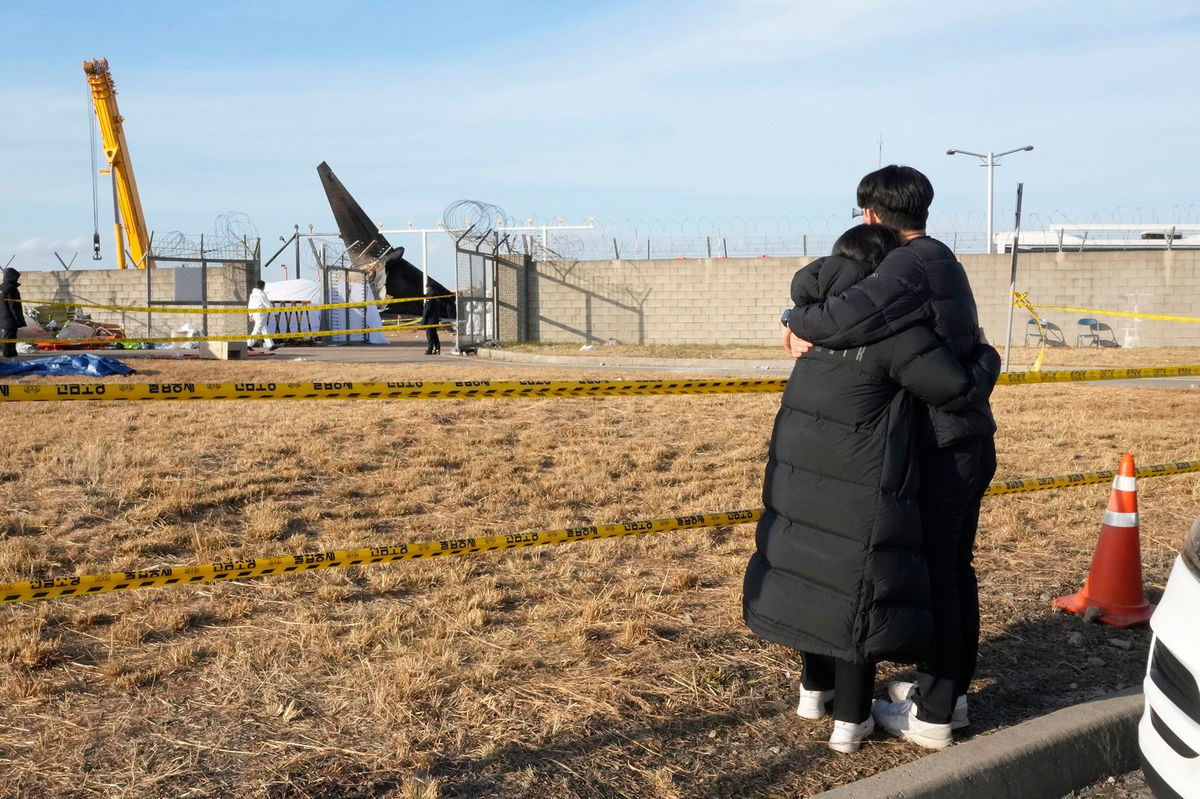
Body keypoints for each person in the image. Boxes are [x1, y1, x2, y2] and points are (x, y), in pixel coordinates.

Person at [744, 224, 1000, 754]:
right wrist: (987, 357)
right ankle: (883, 715)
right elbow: (953, 387)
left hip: (799, 477)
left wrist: (791, 318)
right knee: (860, 581)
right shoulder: (890, 334)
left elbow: (805, 318)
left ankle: (817, 693)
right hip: (865, 479)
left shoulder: (818, 327)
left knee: (811, 573)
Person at [0, 267, 24, 358]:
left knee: (5, 338)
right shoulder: (11, 288)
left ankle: (8, 355)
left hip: (2, 319)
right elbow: (13, 305)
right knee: (9, 339)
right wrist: (18, 320)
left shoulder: (1, 287)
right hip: (10, 319)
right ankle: (9, 356)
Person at [247, 280, 275, 351]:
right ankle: (248, 344)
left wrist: (251, 315)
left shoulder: (252, 295)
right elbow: (268, 305)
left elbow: (250, 305)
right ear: (263, 286)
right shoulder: (262, 294)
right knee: (257, 330)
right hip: (261, 315)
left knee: (264, 329)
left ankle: (271, 345)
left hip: (255, 314)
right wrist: (276, 313)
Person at [420, 286, 442, 355]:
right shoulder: (434, 296)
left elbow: (427, 310)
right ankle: (437, 348)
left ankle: (430, 349)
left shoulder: (430, 297)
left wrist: (423, 320)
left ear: (429, 288)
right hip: (435, 319)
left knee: (429, 335)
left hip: (430, 319)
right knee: (434, 334)